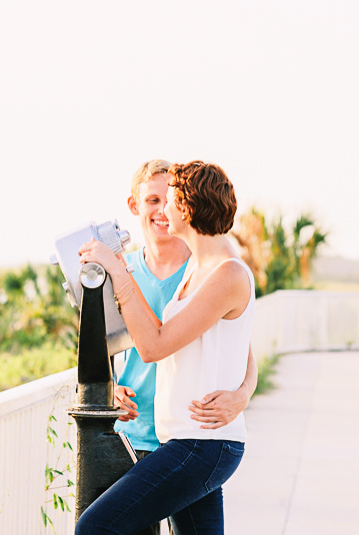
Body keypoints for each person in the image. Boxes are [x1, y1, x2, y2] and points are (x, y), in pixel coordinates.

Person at [76, 160, 255, 535]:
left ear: (186, 208)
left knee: (96, 528)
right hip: (187, 440)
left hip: (201, 443)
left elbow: (155, 344)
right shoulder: (199, 268)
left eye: (169, 200)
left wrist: (119, 274)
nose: (162, 210)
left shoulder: (228, 273)